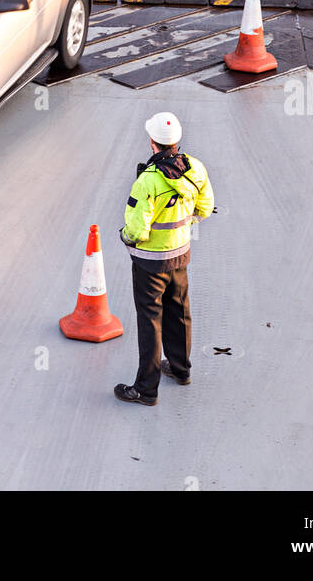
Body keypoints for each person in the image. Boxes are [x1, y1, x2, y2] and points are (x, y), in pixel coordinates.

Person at [114, 112, 214, 407]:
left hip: (149, 262)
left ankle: (146, 389)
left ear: (152, 142)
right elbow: (205, 208)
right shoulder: (195, 168)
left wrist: (127, 238)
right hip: (180, 254)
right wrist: (183, 225)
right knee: (180, 311)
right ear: (177, 141)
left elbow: (136, 228)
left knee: (150, 321)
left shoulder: (147, 181)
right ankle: (181, 370)